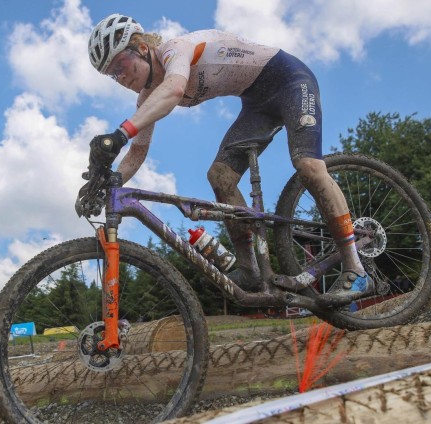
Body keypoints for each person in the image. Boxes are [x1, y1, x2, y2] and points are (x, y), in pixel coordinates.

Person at [83, 14, 373, 305]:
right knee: (220, 176)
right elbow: (137, 151)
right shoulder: (147, 97)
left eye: (120, 65)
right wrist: (106, 183)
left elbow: (173, 90)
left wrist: (120, 133)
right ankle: (249, 269)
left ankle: (355, 268)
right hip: (256, 104)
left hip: (290, 79)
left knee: (308, 165)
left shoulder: (176, 50)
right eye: (112, 74)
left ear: (142, 48)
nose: (121, 78)